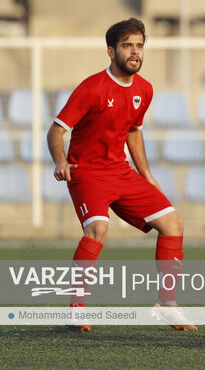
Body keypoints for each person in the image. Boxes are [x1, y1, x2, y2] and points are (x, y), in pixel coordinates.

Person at [47, 18, 196, 332]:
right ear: (110, 51)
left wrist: (147, 174)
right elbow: (56, 131)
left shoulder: (145, 90)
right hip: (86, 173)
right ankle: (75, 310)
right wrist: (61, 162)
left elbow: (133, 131)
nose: (135, 52)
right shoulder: (91, 88)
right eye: (128, 45)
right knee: (98, 229)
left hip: (120, 172)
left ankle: (167, 306)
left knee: (173, 224)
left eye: (139, 46)